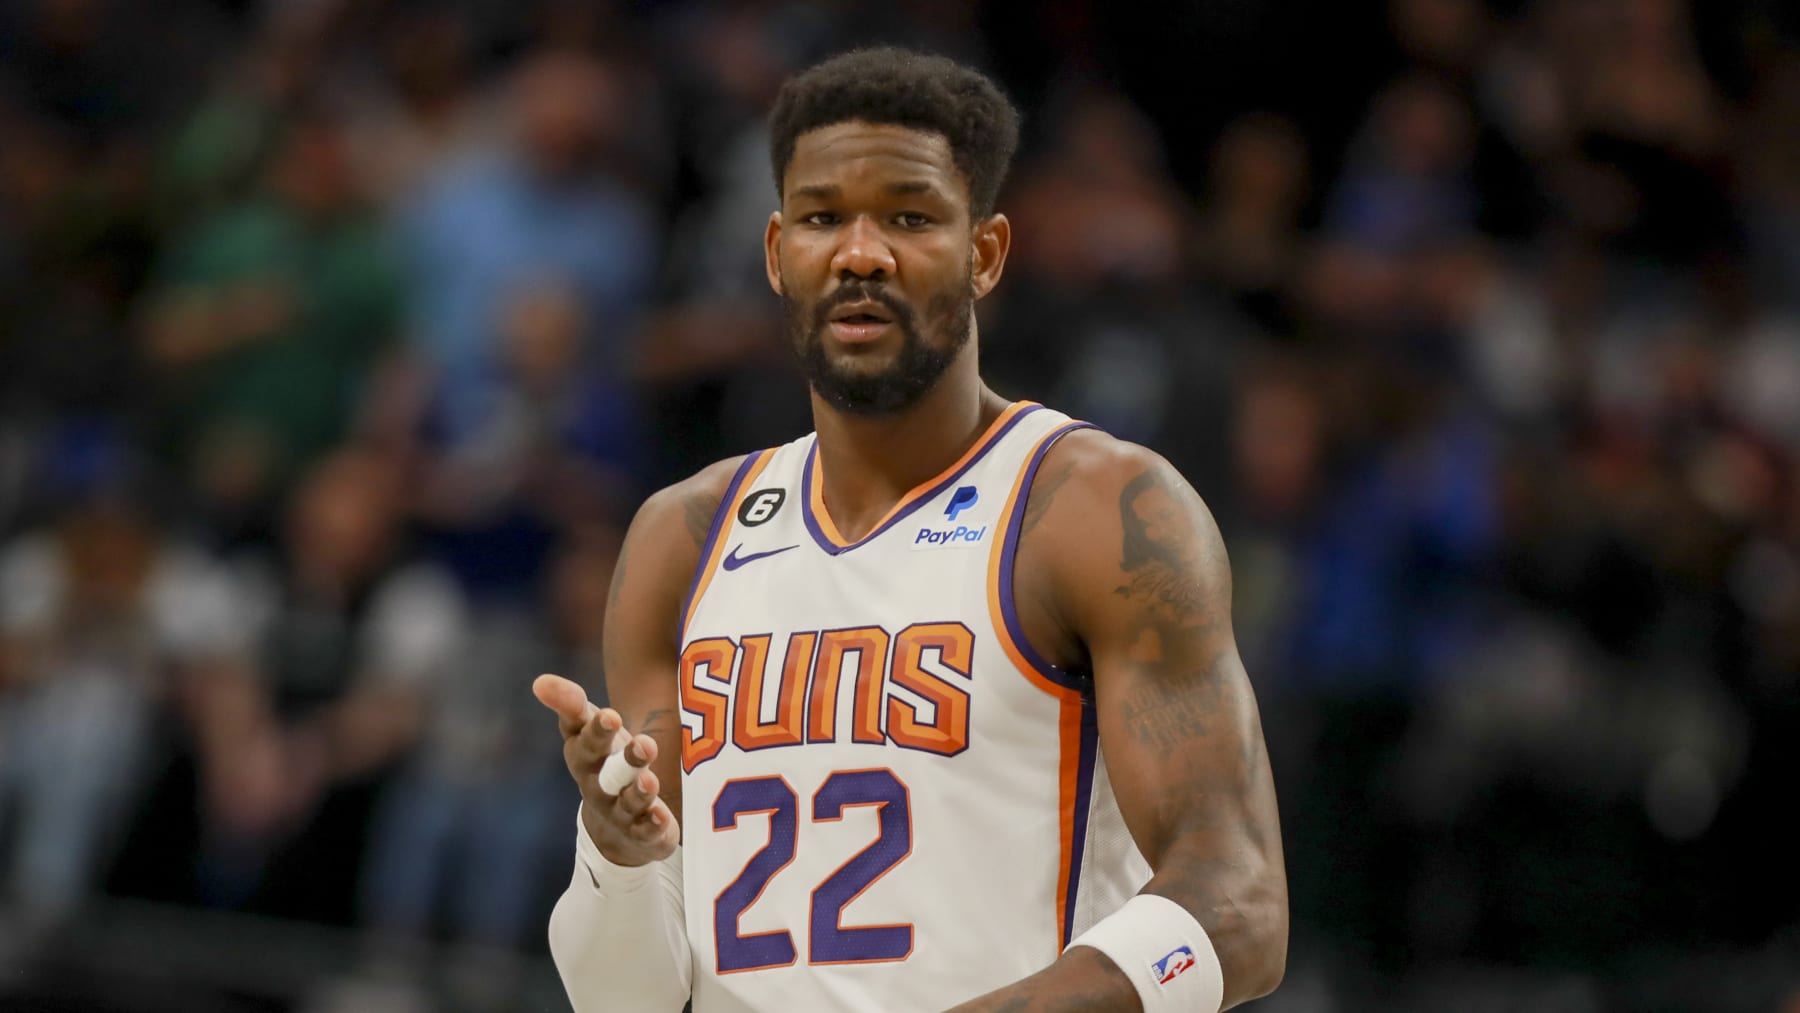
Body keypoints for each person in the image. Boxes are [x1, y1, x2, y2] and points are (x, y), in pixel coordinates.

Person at [532, 47, 1287, 1013]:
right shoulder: (682, 537)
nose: (860, 252)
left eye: (909, 216)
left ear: (985, 253)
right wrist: (620, 858)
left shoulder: (1096, 508)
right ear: (776, 253)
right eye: (821, 218)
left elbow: (1241, 904)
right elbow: (624, 998)